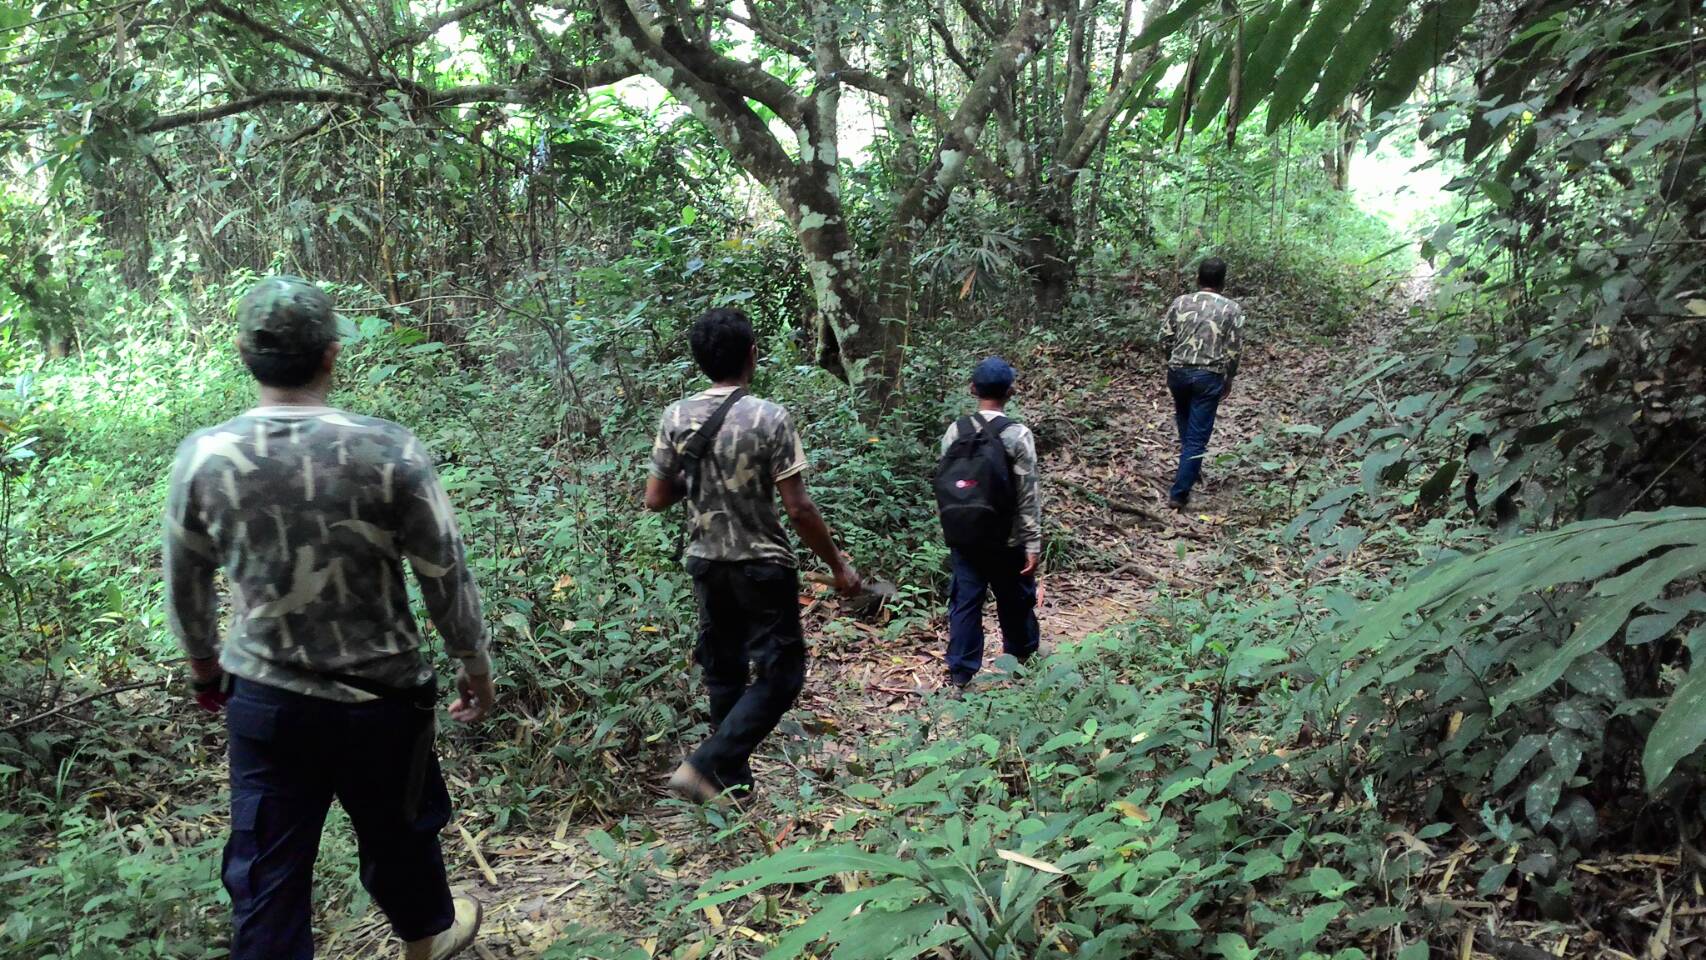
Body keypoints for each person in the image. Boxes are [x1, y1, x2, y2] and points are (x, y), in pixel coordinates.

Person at [164, 277, 494, 960]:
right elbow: (443, 572)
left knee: (267, 869)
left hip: (267, 701)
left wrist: (203, 668)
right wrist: (473, 662)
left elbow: (186, 579)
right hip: (384, 700)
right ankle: (425, 944)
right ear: (330, 354)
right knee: (401, 834)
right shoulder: (390, 449)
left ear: (244, 354)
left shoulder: (204, 455)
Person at [644, 308, 861, 802]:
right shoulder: (769, 417)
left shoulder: (676, 416)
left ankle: (731, 788)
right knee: (782, 674)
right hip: (762, 564)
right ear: (752, 355)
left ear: (701, 361)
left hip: (706, 562)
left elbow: (654, 498)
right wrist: (838, 566)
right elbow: (798, 508)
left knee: (725, 671)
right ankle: (705, 766)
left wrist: (699, 476)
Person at [936, 357, 1043, 690]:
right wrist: (1033, 542)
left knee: (965, 601)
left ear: (972, 389)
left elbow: (946, 483)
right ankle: (1021, 658)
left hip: (965, 535)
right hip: (1007, 537)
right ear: (1010, 392)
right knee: (1014, 598)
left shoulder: (956, 430)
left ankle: (961, 674)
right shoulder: (1017, 434)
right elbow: (1028, 493)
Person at [1160, 257, 1245, 511]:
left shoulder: (1181, 302)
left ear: (1198, 278)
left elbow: (1164, 338)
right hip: (1208, 376)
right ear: (1223, 282)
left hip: (1178, 372)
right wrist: (1229, 377)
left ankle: (1189, 466)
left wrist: (1172, 361)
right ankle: (1179, 493)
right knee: (1197, 438)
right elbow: (1234, 350)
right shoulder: (1232, 309)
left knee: (1185, 420)